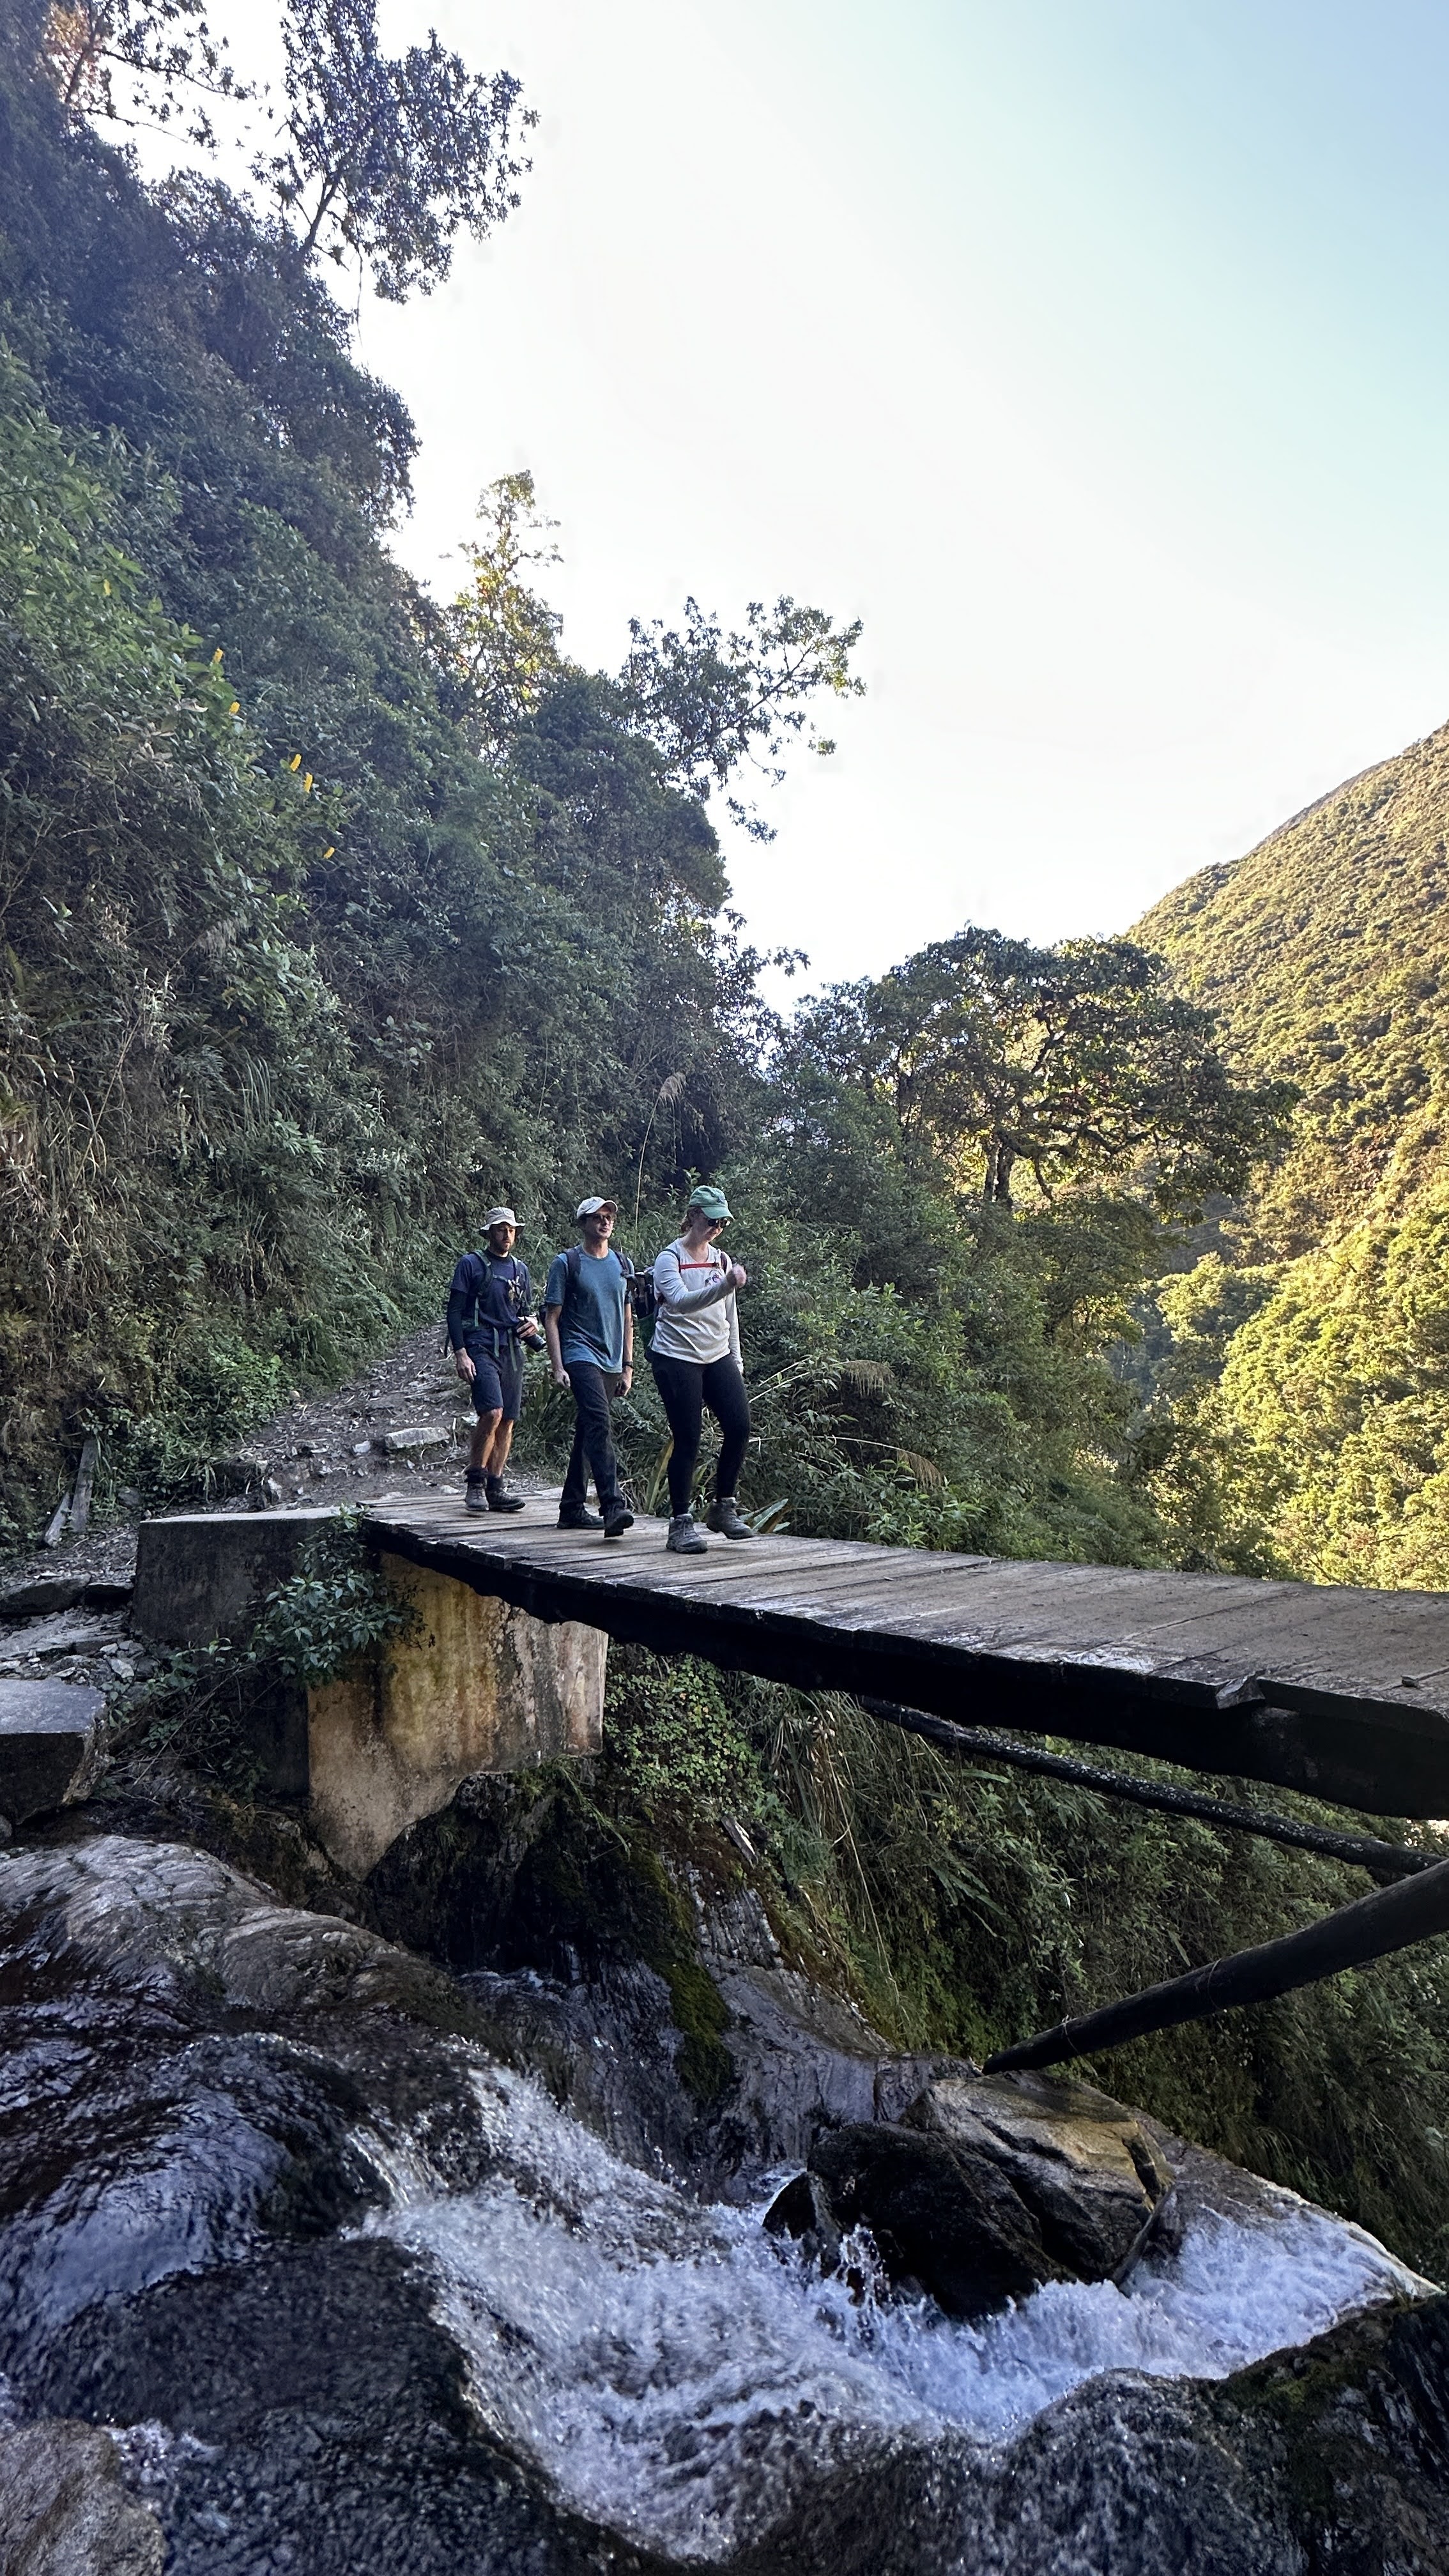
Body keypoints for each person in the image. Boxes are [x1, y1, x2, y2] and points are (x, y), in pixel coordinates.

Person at [648, 1184, 753, 1554]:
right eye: (711, 1220)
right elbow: (680, 1302)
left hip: (717, 1354)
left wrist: (736, 1359)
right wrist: (725, 1285)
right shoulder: (669, 1259)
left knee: (739, 1426)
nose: (716, 1228)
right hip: (676, 1356)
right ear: (693, 1215)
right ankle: (680, 1523)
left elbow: (730, 1315)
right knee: (688, 1437)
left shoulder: (721, 1259)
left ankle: (723, 1507)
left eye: (723, 1222)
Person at [543, 1197, 636, 1539]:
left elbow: (628, 1317)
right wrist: (558, 1365)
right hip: (579, 1354)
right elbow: (552, 1318)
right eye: (597, 1217)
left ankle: (571, 1508)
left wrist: (628, 1366)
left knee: (588, 1430)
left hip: (612, 1359)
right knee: (599, 1421)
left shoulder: (622, 1264)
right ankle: (612, 1504)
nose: (604, 1222)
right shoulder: (567, 1263)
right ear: (583, 1223)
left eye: (608, 1217)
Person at [447, 1206, 542, 1514]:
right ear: (489, 1233)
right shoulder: (471, 1264)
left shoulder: (521, 1270)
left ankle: (496, 1486)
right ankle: (476, 1482)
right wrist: (460, 1352)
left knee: (509, 1419)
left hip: (511, 1350)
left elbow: (525, 1310)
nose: (507, 1235)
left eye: (511, 1230)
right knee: (492, 1412)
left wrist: (533, 1324)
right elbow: (454, 1311)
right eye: (501, 1229)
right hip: (480, 1345)